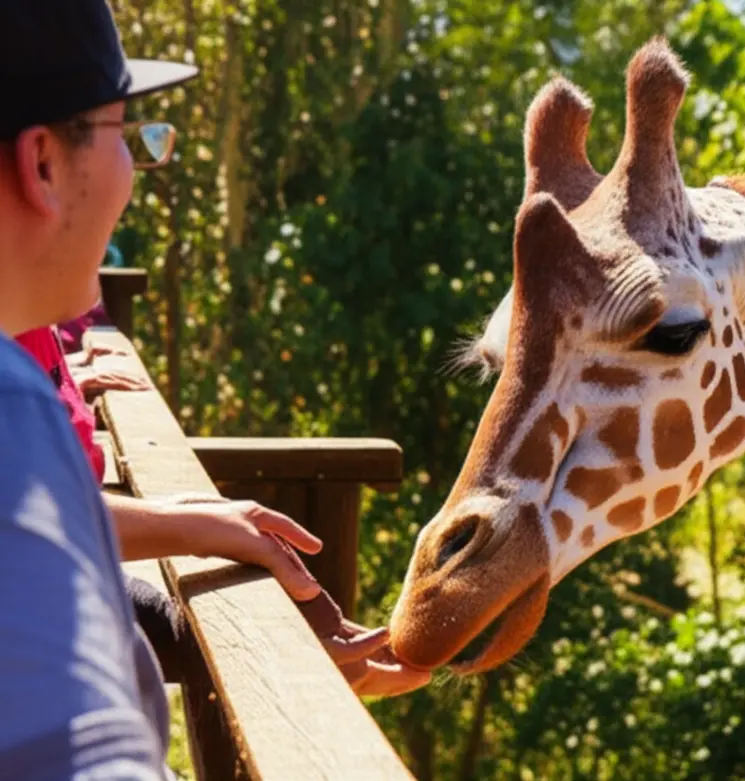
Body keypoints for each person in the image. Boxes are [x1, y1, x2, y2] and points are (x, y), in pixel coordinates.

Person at [0, 2, 429, 778]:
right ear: (44, 164)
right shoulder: (12, 409)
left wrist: (201, 527)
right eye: (125, 134)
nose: (137, 174)